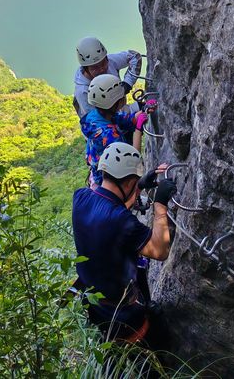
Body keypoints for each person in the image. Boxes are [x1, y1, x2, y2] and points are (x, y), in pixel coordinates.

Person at [71, 142, 176, 343]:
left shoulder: (80, 197)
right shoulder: (122, 222)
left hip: (95, 303)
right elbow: (160, 251)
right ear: (128, 183)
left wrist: (140, 184)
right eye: (134, 183)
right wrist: (160, 207)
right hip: (124, 317)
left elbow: (109, 205)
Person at [80, 74, 157, 186]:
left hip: (99, 172)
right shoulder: (107, 135)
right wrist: (138, 129)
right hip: (110, 183)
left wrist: (144, 110)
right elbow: (132, 157)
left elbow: (125, 119)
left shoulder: (98, 115)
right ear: (115, 102)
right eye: (122, 97)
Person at [73, 36, 142, 118]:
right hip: (107, 127)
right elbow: (99, 121)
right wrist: (133, 109)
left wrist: (127, 83)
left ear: (106, 58)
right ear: (86, 69)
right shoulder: (83, 92)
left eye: (103, 63)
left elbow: (135, 56)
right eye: (94, 67)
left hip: (120, 113)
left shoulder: (110, 62)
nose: (101, 69)